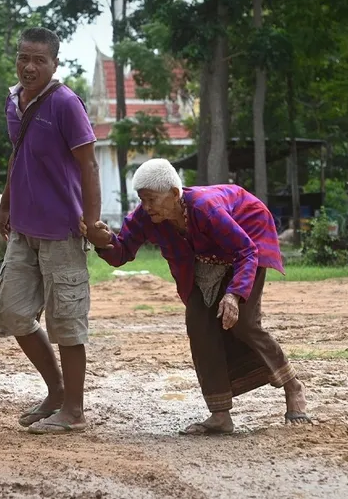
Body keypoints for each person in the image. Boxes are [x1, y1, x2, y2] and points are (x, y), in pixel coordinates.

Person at [82, 158, 310, 435]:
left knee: (244, 323)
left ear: (175, 195)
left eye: (152, 199)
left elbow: (246, 251)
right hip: (204, 261)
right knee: (199, 324)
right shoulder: (145, 216)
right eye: (142, 199)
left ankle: (292, 386)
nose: (146, 206)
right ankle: (220, 415)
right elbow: (121, 253)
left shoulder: (205, 208)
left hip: (248, 239)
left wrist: (234, 295)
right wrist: (103, 240)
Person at [0, 27, 102, 435]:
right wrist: (6, 201)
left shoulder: (65, 104)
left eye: (40, 59)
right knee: (12, 312)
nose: (29, 66)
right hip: (23, 228)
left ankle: (73, 411)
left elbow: (89, 165)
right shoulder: (13, 101)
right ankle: (56, 392)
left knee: (66, 321)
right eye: (24, 57)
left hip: (62, 230)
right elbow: (17, 156)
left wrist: (91, 222)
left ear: (55, 63)